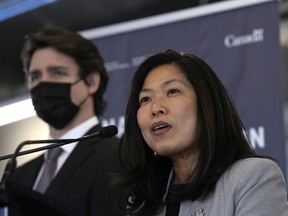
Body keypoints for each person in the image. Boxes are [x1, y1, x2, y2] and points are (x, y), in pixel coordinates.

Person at [114, 49, 288, 216]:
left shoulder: (253, 178)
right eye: (145, 99)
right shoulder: (143, 201)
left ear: (207, 104)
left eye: (172, 91)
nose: (156, 108)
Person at [8, 26, 122, 215]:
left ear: (92, 82)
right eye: (35, 76)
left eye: (57, 73)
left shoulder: (118, 157)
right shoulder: (19, 175)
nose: (43, 83)